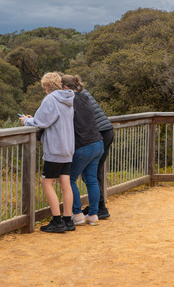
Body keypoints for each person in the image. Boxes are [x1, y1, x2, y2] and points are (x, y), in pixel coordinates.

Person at [20, 72, 75, 233]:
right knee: (65, 183)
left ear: (46, 87)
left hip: (55, 148)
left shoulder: (51, 99)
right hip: (68, 147)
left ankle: (57, 221)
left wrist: (26, 121)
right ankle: (68, 220)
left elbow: (41, 121)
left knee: (46, 183)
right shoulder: (69, 98)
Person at [61, 75, 103, 226]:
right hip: (98, 143)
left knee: (69, 179)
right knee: (91, 180)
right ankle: (93, 215)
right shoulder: (84, 97)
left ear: (65, 88)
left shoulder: (69, 100)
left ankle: (77, 214)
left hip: (83, 145)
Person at [80, 87, 114, 219]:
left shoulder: (73, 96)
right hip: (107, 130)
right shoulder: (82, 91)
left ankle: (99, 207)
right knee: (95, 172)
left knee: (90, 174)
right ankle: (99, 207)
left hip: (98, 134)